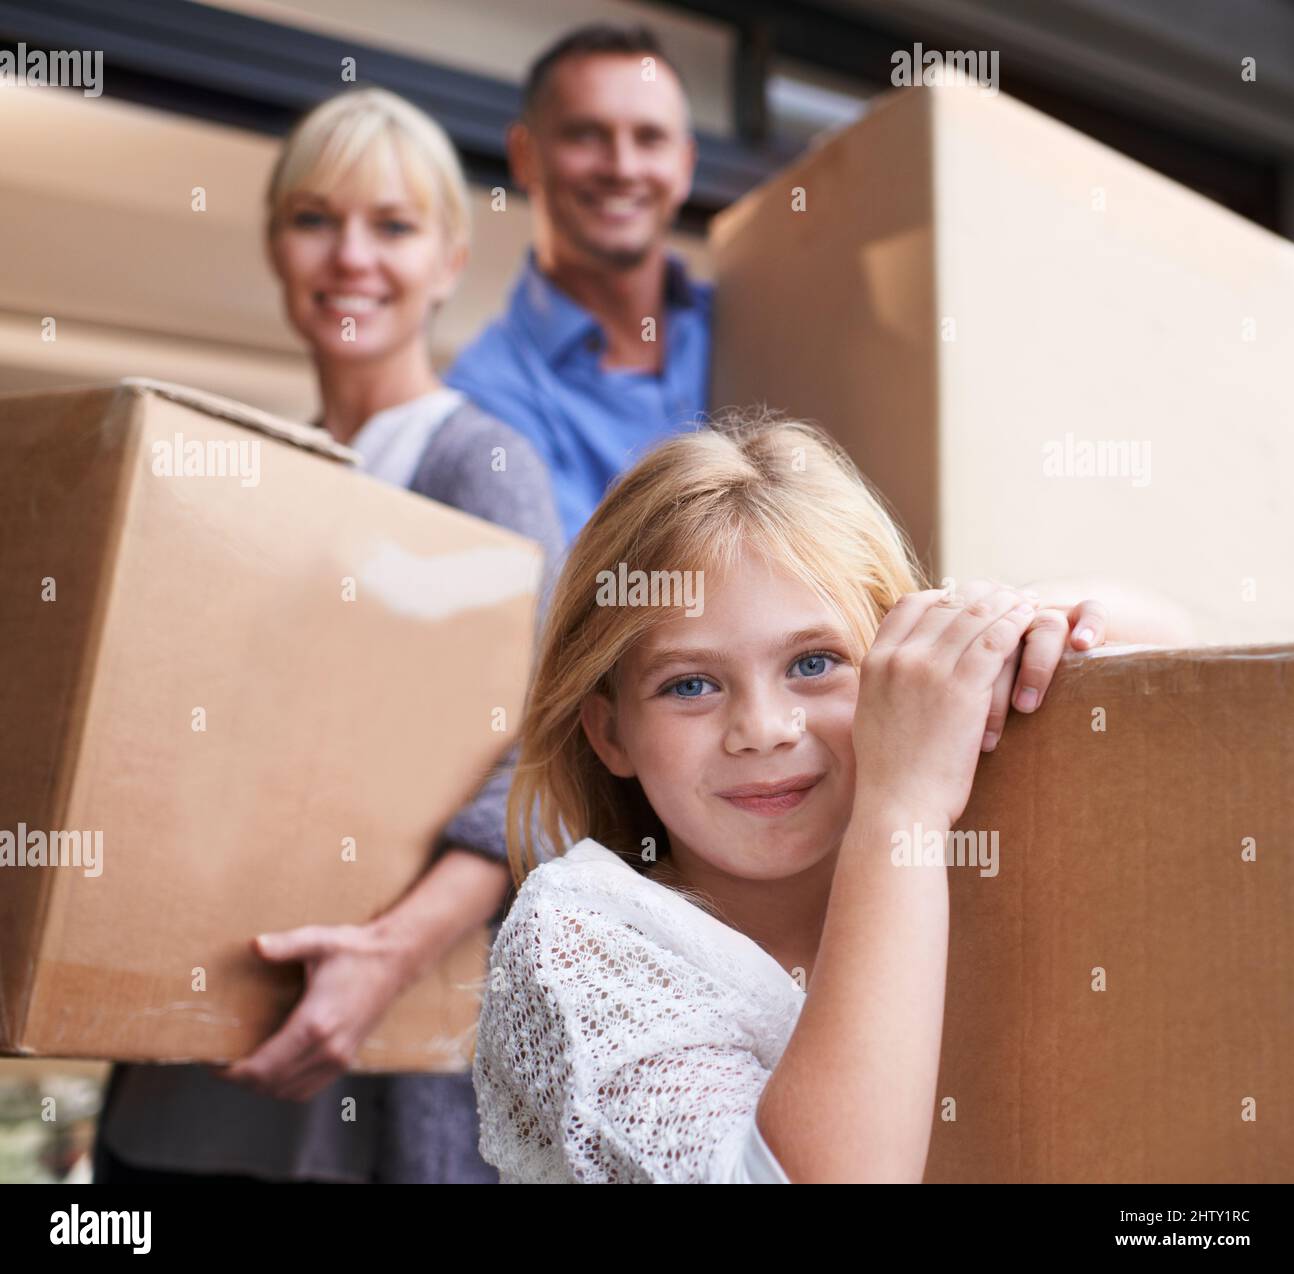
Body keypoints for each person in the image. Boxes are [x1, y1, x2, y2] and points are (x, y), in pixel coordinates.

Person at [471, 412, 1197, 1183]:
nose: (762, 729)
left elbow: (1177, 654)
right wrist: (901, 812)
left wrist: (1012, 626)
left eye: (815, 663)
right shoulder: (578, 940)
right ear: (611, 734)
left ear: (898, 670)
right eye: (690, 684)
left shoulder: (957, 843)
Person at [92, 87, 565, 1184]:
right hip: (194, 1066)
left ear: (449, 259)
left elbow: (534, 754)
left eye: (392, 225)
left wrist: (385, 959)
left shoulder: (478, 468)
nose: (351, 255)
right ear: (275, 245)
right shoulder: (259, 478)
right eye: (316, 218)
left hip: (365, 1057)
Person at [446, 23, 711, 544]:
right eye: (586, 135)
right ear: (524, 156)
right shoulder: (483, 400)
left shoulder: (756, 318)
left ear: (684, 166)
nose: (622, 167)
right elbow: (573, 619)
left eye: (650, 138)